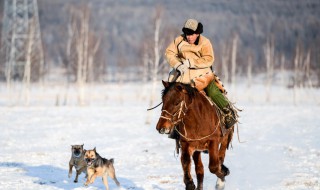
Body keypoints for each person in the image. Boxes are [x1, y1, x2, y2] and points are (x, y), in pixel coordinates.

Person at [165, 18, 238, 133]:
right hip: (182, 74)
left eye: (191, 34)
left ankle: (228, 112)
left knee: (213, 91)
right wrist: (177, 65)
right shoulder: (179, 40)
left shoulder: (205, 42)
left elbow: (209, 59)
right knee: (171, 95)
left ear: (197, 33)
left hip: (201, 73)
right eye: (187, 34)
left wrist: (191, 62)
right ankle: (172, 124)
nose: (189, 37)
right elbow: (169, 52)